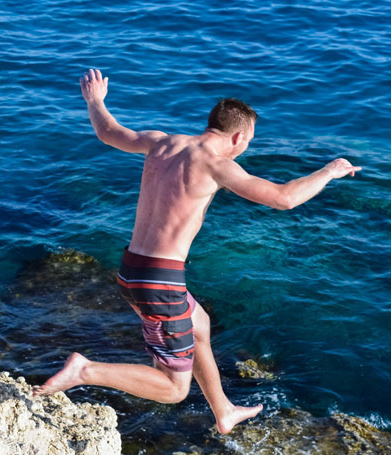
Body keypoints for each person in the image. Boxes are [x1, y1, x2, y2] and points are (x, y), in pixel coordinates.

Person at [33, 69, 361, 434]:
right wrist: (330, 171)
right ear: (238, 136)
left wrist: (95, 101)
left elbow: (108, 133)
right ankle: (85, 371)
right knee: (174, 388)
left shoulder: (162, 142)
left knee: (199, 324)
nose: (246, 146)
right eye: (249, 141)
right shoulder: (217, 164)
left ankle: (223, 411)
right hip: (159, 282)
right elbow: (284, 198)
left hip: (132, 268)